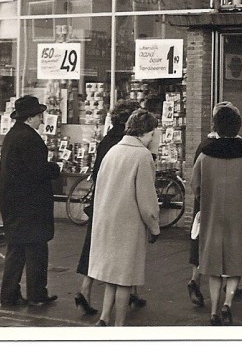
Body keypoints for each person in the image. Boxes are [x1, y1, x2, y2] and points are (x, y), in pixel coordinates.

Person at [87, 109, 160, 326]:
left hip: (106, 221)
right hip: (128, 224)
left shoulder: (113, 151)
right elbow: (146, 199)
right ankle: (119, 326)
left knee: (111, 275)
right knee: (125, 280)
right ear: (146, 132)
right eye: (153, 133)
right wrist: (154, 227)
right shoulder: (142, 156)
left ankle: (104, 317)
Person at [191, 106, 242, 326]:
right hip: (238, 214)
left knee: (213, 263)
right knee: (236, 261)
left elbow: (195, 185)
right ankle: (227, 304)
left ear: (216, 126)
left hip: (212, 213)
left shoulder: (205, 154)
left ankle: (213, 310)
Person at [74, 100, 143, 316]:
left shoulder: (106, 141)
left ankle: (86, 289)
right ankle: (128, 292)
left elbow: (96, 173)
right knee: (125, 248)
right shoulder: (128, 143)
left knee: (94, 244)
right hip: (120, 202)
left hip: (100, 199)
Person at [0, 95, 61, 307]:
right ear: (30, 117)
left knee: (16, 250)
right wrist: (54, 168)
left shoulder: (12, 135)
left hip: (14, 202)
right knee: (36, 251)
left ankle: (9, 294)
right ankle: (36, 293)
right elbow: (38, 171)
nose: (41, 120)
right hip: (30, 205)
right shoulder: (28, 138)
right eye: (39, 116)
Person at [187, 101, 241, 308]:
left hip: (204, 201)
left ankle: (195, 280)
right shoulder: (232, 145)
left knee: (202, 242)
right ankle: (228, 285)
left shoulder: (205, 145)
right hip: (220, 202)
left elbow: (195, 176)